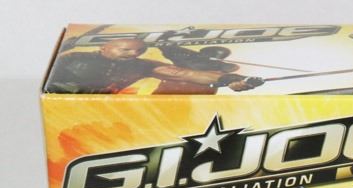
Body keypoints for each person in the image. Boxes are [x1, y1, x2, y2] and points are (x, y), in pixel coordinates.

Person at [47, 38, 262, 94]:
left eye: (139, 51)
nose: (134, 54)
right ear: (104, 47)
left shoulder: (142, 65)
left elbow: (184, 73)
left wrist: (230, 80)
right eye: (126, 50)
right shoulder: (73, 58)